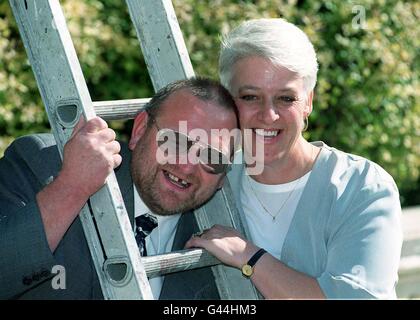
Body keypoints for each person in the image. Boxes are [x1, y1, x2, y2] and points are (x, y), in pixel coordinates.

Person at [186, 19, 403, 299]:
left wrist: (249, 257)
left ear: (308, 102)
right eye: (250, 97)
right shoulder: (211, 181)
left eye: (286, 98)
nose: (269, 115)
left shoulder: (361, 188)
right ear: (228, 100)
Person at [0, 77, 238, 299]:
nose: (187, 166)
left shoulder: (219, 255)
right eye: (175, 140)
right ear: (140, 129)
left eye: (211, 158)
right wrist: (71, 187)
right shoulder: (43, 163)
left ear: (222, 179)